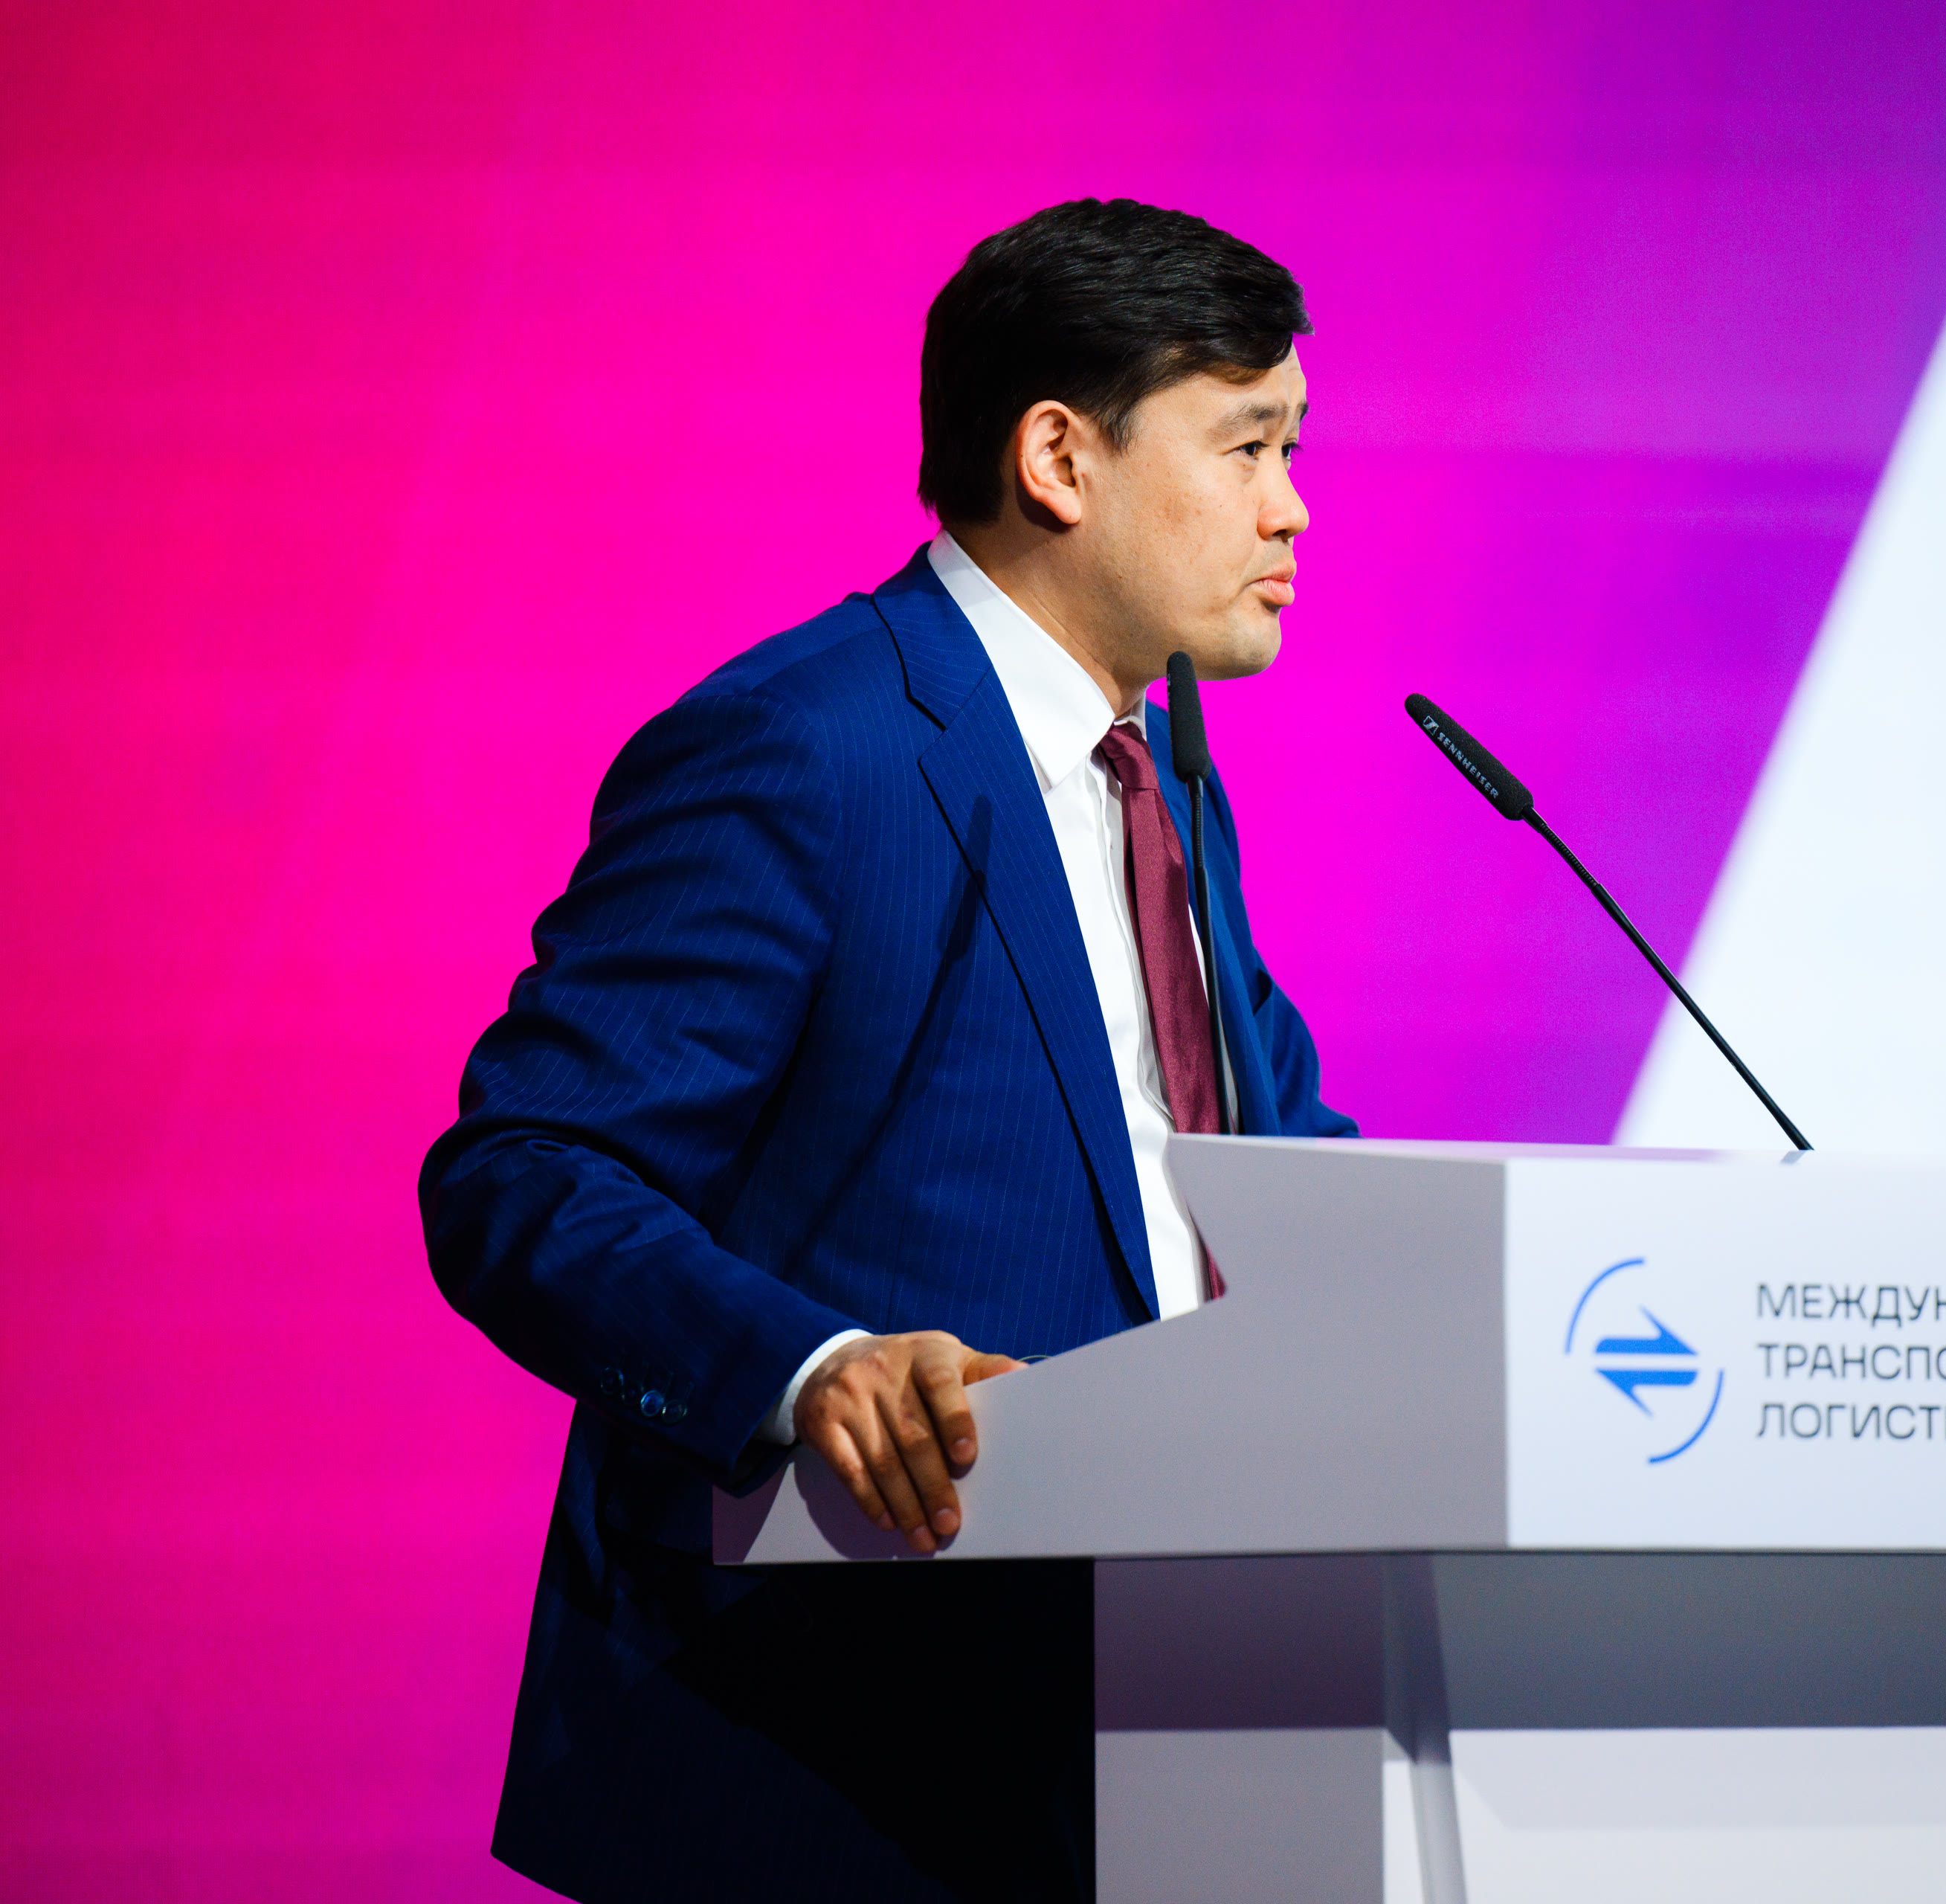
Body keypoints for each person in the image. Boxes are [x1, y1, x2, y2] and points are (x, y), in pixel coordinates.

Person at [420, 197, 1356, 1903]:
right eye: (1248, 445)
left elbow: (1263, 1156)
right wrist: (808, 1366)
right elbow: (527, 1172)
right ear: (1060, 458)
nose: (1291, 506)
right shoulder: (807, 748)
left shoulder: (1166, 772)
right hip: (832, 1737)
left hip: (1142, 1728)